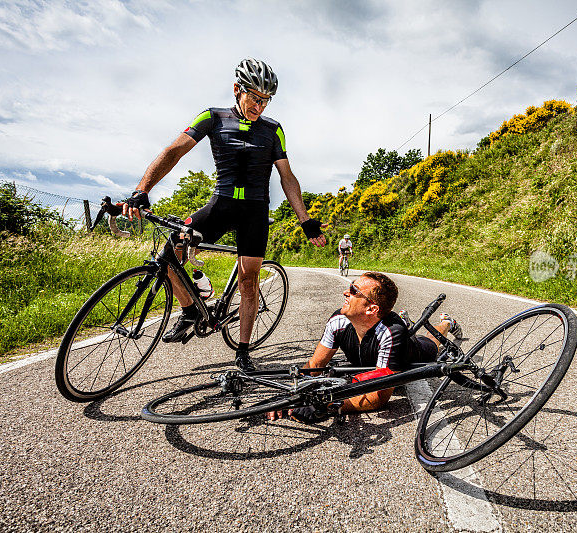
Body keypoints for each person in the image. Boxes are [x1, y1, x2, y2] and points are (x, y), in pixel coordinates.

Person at [121, 58, 326, 372]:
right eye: (254, 97)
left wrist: (305, 220)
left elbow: (287, 176)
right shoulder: (213, 118)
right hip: (220, 207)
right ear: (237, 89)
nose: (260, 105)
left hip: (254, 213)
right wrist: (142, 188)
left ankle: (243, 351)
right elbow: (173, 151)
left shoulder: (273, 130)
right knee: (171, 250)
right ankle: (189, 310)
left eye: (266, 99)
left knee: (249, 280)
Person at [268, 271, 463, 423]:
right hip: (378, 350)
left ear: (371, 309)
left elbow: (379, 397)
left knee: (431, 342)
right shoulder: (338, 320)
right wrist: (290, 395)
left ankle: (447, 323)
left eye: (354, 291)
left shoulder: (391, 332)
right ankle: (410, 324)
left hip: (415, 352)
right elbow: (315, 365)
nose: (346, 292)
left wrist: (328, 404)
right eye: (350, 287)